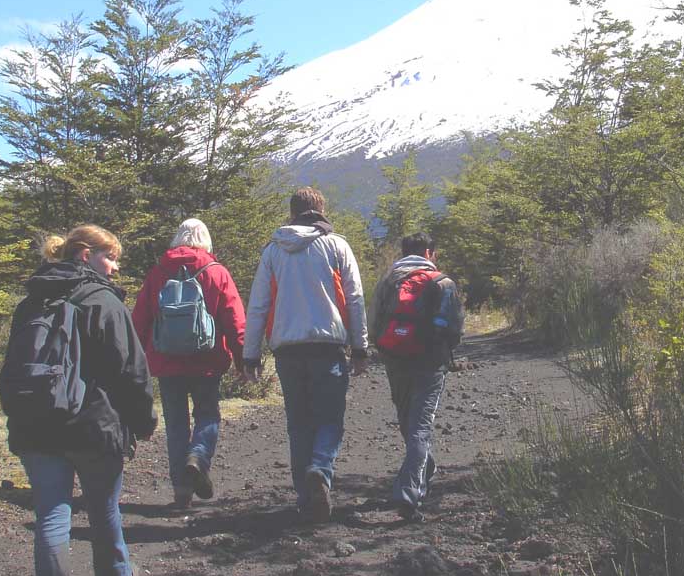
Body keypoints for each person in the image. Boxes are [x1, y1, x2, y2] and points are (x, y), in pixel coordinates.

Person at [3, 225, 156, 576]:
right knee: (103, 508)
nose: (116, 265)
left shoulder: (32, 299)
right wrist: (143, 420)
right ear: (86, 254)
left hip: (36, 424)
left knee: (52, 515)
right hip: (93, 425)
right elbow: (132, 370)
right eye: (111, 256)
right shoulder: (103, 301)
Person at [243, 187, 369, 523]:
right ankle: (321, 469)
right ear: (322, 211)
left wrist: (250, 356)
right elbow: (355, 299)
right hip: (328, 348)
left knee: (298, 424)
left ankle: (305, 497)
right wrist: (360, 348)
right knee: (330, 419)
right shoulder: (337, 246)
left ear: (292, 213)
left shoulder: (273, 251)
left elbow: (258, 306)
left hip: (287, 352)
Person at [133, 218, 246, 507]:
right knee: (207, 414)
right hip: (207, 361)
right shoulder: (217, 272)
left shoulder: (158, 271)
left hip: (166, 360)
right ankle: (199, 455)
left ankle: (181, 492)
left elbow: (140, 319)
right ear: (205, 240)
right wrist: (244, 358)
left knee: (175, 423)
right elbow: (234, 320)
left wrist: (136, 358)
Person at [370, 232, 464, 523]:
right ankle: (410, 493)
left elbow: (374, 322)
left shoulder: (389, 280)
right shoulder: (443, 282)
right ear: (429, 253)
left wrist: (381, 348)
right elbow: (456, 328)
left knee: (407, 420)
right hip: (429, 362)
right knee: (420, 425)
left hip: (395, 359)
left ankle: (423, 470)